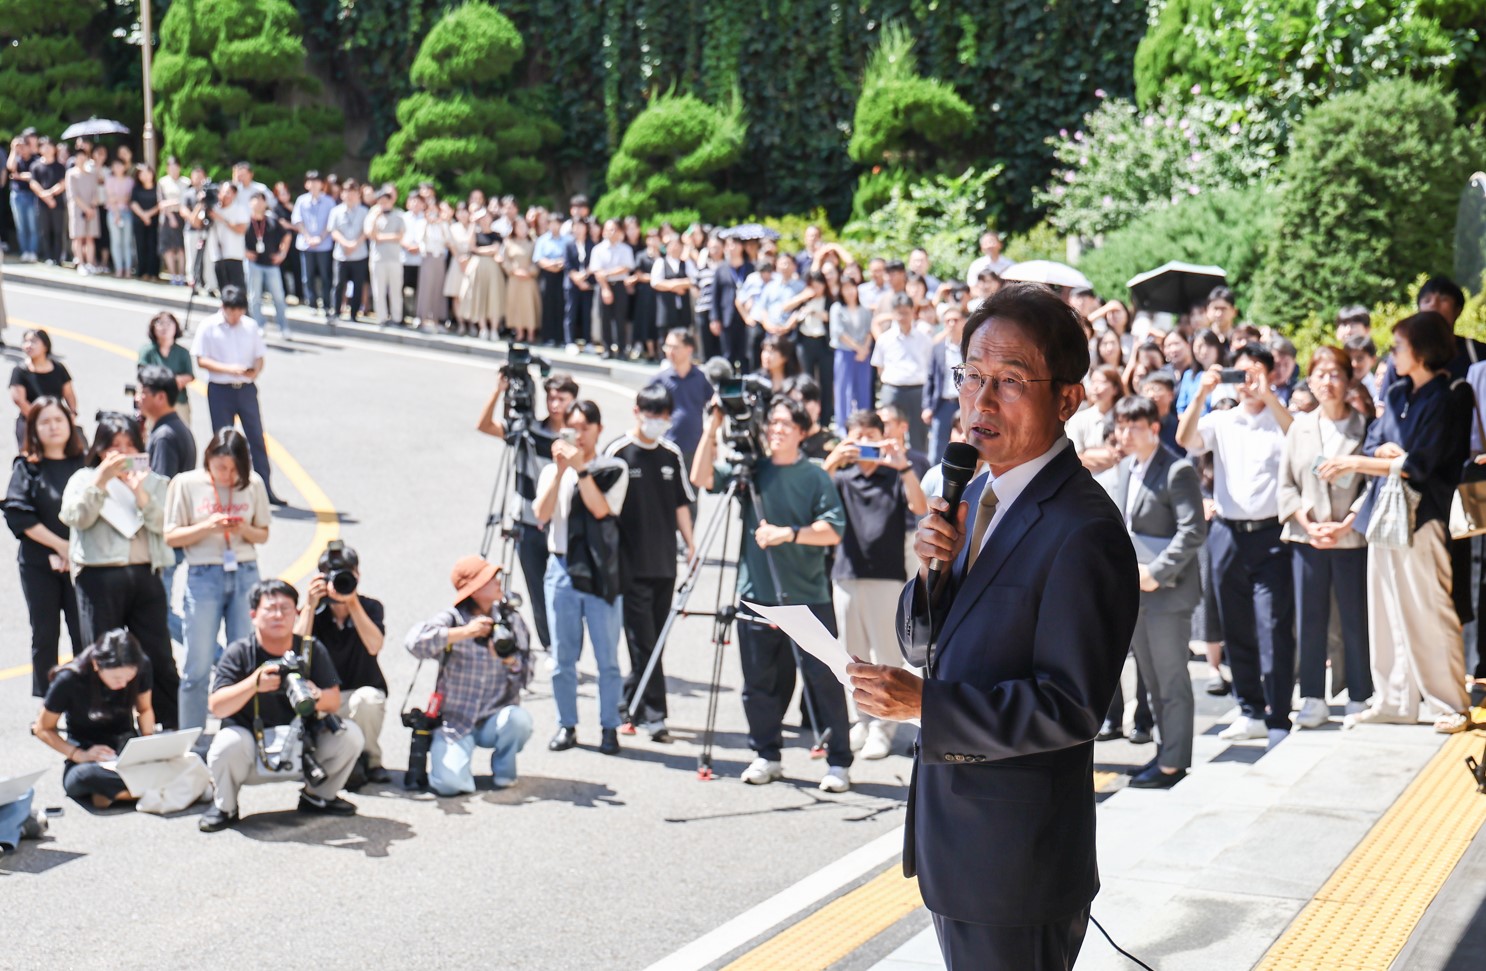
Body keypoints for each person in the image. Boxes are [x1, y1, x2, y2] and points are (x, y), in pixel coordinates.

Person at [861, 283, 1138, 969]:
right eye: (973, 377)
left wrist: (926, 705)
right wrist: (933, 574)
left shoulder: (1083, 528)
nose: (982, 402)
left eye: (1010, 381)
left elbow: (1070, 705)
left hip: (1019, 863)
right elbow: (924, 644)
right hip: (956, 846)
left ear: (1068, 399)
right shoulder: (978, 491)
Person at [692, 395, 855, 792]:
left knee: (822, 679)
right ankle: (767, 754)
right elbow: (701, 478)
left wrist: (789, 534)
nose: (776, 430)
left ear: (802, 432)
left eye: (785, 424)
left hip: (807, 595)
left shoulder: (815, 475)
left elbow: (833, 529)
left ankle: (839, 763)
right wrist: (712, 426)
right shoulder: (753, 470)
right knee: (759, 682)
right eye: (773, 423)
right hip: (757, 594)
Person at [1321, 312, 1474, 733]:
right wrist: (1385, 455)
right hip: (1386, 512)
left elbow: (1422, 463)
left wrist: (1371, 459)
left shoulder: (1450, 395)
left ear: (1422, 350)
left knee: (1429, 608)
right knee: (1385, 609)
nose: (1392, 355)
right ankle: (1392, 699)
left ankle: (1449, 703)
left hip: (1424, 515)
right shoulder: (1401, 391)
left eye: (1399, 346)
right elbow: (1377, 440)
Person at [1177, 343, 1296, 743]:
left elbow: (1297, 435)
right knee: (1235, 623)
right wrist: (1200, 393)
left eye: (1254, 374)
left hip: (1272, 533)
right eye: (1240, 374)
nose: (1246, 383)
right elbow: (1186, 438)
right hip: (1228, 532)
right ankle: (1250, 709)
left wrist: (1270, 396)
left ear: (1269, 374)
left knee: (1274, 624)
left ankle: (1279, 714)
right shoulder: (1222, 420)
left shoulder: (1279, 418)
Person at [199, 579, 364, 832]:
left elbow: (333, 699)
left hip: (303, 750)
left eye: (286, 609)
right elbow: (217, 706)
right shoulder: (239, 653)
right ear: (253, 615)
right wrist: (254, 684)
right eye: (270, 609)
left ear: (297, 613)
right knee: (226, 743)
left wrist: (313, 693)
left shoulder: (310, 650)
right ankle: (225, 807)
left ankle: (319, 797)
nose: (278, 615)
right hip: (251, 752)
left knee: (350, 735)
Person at [60, 413, 178, 730]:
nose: (121, 453)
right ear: (100, 448)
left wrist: (140, 494)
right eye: (114, 446)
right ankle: (107, 729)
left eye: (129, 446)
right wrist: (100, 482)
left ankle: (168, 723)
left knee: (158, 655)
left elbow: (165, 524)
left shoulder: (153, 481)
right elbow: (74, 516)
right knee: (103, 656)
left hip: (144, 574)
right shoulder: (84, 479)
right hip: (99, 576)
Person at [1114, 395, 1206, 788]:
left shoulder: (1177, 470)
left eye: (1133, 427)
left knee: (1171, 679)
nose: (1125, 434)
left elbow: (1192, 530)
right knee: (1149, 679)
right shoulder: (1127, 470)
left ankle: (1173, 762)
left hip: (1167, 591)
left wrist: (1157, 571)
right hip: (1136, 590)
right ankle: (1164, 752)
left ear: (1154, 428)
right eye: (1120, 426)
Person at [824, 410, 926, 760]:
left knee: (886, 656)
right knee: (850, 656)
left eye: (871, 434)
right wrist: (833, 459)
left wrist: (903, 466)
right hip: (846, 574)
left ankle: (884, 728)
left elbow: (920, 506)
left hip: (887, 576)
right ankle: (861, 723)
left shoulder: (893, 474)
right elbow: (814, 500)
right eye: (857, 435)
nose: (865, 442)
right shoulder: (841, 476)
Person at [1278, 346, 1371, 729]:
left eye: (1335, 374)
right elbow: (1286, 485)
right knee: (1310, 619)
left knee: (1355, 619)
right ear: (1310, 378)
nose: (1327, 382)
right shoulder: (1299, 426)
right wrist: (1307, 521)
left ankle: (1359, 694)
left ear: (1348, 380)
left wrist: (1348, 522)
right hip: (1308, 537)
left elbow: (1371, 485)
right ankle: (1313, 696)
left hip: (1350, 539)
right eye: (1320, 374)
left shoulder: (1364, 425)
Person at [535, 400, 629, 754]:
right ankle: (566, 724)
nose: (578, 436)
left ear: (598, 430)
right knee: (562, 658)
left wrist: (581, 471)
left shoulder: (612, 468)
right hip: (560, 567)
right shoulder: (551, 471)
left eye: (584, 428)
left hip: (601, 571)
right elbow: (540, 515)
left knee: (607, 658)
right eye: (571, 429)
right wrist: (561, 471)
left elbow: (603, 510)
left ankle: (609, 726)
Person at [165, 428, 272, 731]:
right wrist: (209, 527)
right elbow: (171, 535)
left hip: (245, 570)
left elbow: (262, 533)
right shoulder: (186, 484)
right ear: (208, 459)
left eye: (233, 469)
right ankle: (193, 740)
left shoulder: (252, 484)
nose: (227, 475)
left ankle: (240, 733)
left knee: (245, 660)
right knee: (196, 666)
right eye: (221, 467)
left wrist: (242, 530)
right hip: (203, 573)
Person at [604, 386, 696, 739]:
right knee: (644, 640)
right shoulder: (619, 452)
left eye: (663, 416)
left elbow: (680, 504)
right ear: (636, 411)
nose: (656, 422)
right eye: (650, 413)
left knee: (655, 638)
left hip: (664, 564)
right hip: (630, 565)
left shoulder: (670, 454)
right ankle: (656, 715)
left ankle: (628, 703)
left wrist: (691, 543)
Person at [405, 557, 535, 794]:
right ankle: (452, 763)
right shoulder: (453, 618)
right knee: (449, 785)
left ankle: (504, 771)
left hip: (494, 719)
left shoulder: (511, 620)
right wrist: (463, 633)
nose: (497, 582)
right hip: (455, 722)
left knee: (519, 720)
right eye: (489, 578)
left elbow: (527, 674)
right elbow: (413, 643)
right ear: (474, 590)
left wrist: (508, 660)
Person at [477, 370, 580, 653]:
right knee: (538, 589)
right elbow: (485, 426)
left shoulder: (577, 437)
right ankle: (550, 647)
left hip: (564, 526)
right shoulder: (528, 430)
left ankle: (570, 644)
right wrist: (498, 392)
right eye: (550, 397)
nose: (554, 404)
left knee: (568, 591)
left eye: (562, 398)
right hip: (527, 521)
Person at [4, 398, 86, 696]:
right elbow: (18, 514)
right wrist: (60, 546)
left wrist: (71, 550)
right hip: (39, 564)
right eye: (45, 422)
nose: (53, 427)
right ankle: (49, 704)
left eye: (58, 420)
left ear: (69, 423)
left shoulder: (86, 464)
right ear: (34, 429)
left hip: (81, 563)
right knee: (45, 634)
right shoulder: (27, 467)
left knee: (83, 633)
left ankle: (86, 698)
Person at [294, 543, 389, 786]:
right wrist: (310, 606)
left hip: (359, 693)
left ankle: (371, 760)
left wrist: (352, 603)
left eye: (348, 575)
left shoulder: (370, 607)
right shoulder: (313, 611)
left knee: (368, 700)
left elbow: (374, 646)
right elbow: (294, 652)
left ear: (357, 575)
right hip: (325, 697)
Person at [34, 629, 157, 809]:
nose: (123, 684)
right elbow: (42, 728)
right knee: (85, 777)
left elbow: (144, 709)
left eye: (129, 677)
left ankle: (121, 794)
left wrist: (148, 743)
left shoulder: (142, 666)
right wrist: (79, 754)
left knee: (188, 756)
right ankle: (149, 790)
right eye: (116, 678)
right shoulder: (69, 679)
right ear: (97, 664)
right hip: (87, 752)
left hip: (127, 747)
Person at [192, 285, 285, 505]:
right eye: (231, 311)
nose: (235, 316)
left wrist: (255, 370)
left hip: (245, 389)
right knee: (223, 442)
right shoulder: (208, 326)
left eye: (239, 311)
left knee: (256, 439)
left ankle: (264, 488)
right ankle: (224, 489)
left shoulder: (250, 326)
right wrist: (229, 369)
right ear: (223, 307)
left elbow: (260, 356)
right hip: (220, 389)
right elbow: (201, 359)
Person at [872, 293, 933, 453]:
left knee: (918, 436)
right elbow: (879, 367)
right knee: (888, 430)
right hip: (892, 389)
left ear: (913, 312)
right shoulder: (885, 339)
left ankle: (919, 468)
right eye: (898, 313)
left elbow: (929, 365)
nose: (902, 317)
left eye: (905, 312)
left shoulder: (924, 338)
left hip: (917, 390)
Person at [9, 328, 77, 450]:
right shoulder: (20, 371)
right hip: (30, 421)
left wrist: (72, 413)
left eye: (34, 341)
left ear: (46, 346)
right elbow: (19, 400)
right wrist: (40, 419)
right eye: (26, 341)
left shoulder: (58, 368)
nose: (29, 345)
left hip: (57, 419)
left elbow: (69, 393)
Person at [243, 190, 292, 338]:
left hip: (271, 264)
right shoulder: (245, 221)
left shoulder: (272, 220)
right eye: (255, 200)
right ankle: (259, 325)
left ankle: (284, 327)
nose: (258, 203)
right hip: (253, 263)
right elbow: (236, 236)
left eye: (261, 200)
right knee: (254, 296)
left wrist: (282, 254)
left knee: (278, 297)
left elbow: (287, 236)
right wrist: (244, 251)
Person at [921, 306, 966, 464]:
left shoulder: (970, 349)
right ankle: (935, 480)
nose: (952, 324)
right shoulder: (938, 349)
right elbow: (930, 378)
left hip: (964, 403)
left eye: (956, 320)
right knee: (937, 448)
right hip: (943, 403)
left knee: (965, 442)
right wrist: (927, 406)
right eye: (948, 321)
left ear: (963, 322)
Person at [831, 276, 875, 437]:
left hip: (864, 354)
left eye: (851, 287)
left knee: (863, 389)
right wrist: (858, 348)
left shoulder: (864, 309)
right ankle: (842, 427)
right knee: (843, 390)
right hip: (845, 352)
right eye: (845, 288)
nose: (849, 291)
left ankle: (865, 424)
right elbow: (839, 332)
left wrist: (864, 349)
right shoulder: (837, 308)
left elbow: (870, 330)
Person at [290, 171, 336, 317]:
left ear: (322, 184)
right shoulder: (301, 200)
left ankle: (328, 305)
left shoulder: (329, 201)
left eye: (317, 181)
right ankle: (312, 304)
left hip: (324, 244)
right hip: (306, 244)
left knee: (325, 275)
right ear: (306, 184)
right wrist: (308, 237)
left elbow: (331, 223)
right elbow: (297, 220)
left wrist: (320, 238)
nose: (314, 184)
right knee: (307, 276)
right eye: (311, 181)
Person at [137, 311, 195, 426]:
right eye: (160, 323)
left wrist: (172, 382)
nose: (164, 327)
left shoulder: (182, 352)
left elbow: (189, 376)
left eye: (169, 323)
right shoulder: (147, 351)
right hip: (153, 400)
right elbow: (142, 376)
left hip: (179, 401)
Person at [364, 188, 407, 328]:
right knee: (378, 290)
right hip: (378, 258)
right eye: (380, 201)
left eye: (385, 201)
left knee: (396, 290)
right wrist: (376, 217)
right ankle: (381, 318)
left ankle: (397, 318)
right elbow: (370, 233)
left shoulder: (399, 215)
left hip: (394, 258)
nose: (383, 204)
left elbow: (399, 236)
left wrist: (381, 238)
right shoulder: (373, 214)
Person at [329, 178, 369, 322]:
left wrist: (355, 244)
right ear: (342, 194)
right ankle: (336, 311)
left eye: (353, 192)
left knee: (358, 284)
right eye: (347, 192)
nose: (350, 195)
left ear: (358, 194)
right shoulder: (336, 211)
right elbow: (333, 231)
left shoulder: (365, 211)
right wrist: (345, 243)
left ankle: (354, 314)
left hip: (359, 254)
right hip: (341, 254)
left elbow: (367, 231)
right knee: (339, 284)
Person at [712, 237, 755, 371]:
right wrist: (714, 318)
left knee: (745, 353)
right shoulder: (721, 269)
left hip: (746, 317)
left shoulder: (750, 267)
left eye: (735, 244)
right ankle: (727, 385)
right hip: (727, 317)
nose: (732, 248)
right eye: (729, 245)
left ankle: (746, 384)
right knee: (727, 353)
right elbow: (715, 296)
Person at [208, 182, 248, 292]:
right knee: (223, 291)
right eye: (222, 192)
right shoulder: (213, 208)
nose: (224, 195)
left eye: (228, 193)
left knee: (238, 292)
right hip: (217, 255)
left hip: (234, 255)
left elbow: (241, 229)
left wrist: (221, 218)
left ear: (234, 194)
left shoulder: (240, 209)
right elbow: (196, 223)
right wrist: (202, 204)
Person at [563, 218, 594, 349]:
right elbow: (568, 264)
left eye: (581, 226)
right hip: (572, 284)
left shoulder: (591, 244)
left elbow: (594, 263)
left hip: (588, 284)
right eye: (575, 227)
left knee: (587, 313)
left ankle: (588, 341)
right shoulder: (568, 244)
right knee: (571, 312)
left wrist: (585, 276)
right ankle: (570, 341)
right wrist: (577, 278)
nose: (578, 229)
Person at [130, 165, 161, 281]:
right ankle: (142, 271)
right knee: (141, 246)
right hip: (139, 221)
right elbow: (133, 203)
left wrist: (149, 214)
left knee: (153, 246)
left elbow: (160, 203)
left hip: (154, 221)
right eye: (142, 174)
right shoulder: (136, 188)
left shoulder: (158, 187)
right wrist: (143, 215)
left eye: (147, 173)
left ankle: (154, 272)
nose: (145, 176)